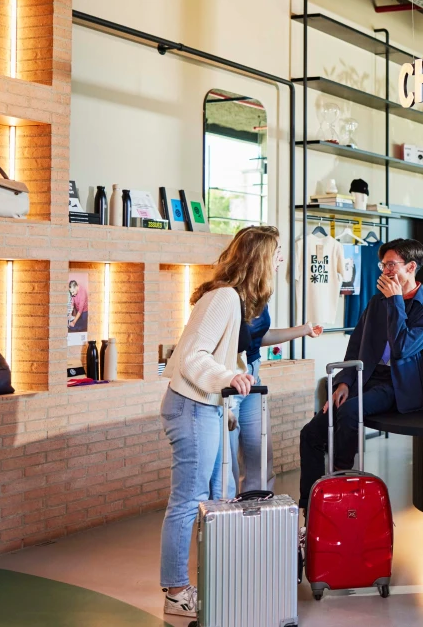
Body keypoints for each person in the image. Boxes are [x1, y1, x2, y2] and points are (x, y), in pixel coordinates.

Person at [158, 225, 283, 618]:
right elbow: (193, 356)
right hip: (192, 405)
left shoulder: (233, 299)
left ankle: (215, 579)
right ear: (260, 259)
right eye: (276, 254)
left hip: (206, 406)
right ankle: (177, 592)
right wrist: (228, 378)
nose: (280, 261)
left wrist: (232, 375)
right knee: (189, 499)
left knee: (219, 495)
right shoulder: (224, 297)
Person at [298, 238, 423, 515]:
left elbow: (402, 348)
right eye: (383, 265)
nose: (385, 271)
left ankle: (340, 477)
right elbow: (358, 343)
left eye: (391, 265)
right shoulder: (377, 301)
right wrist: (343, 382)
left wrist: (396, 300)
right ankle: (310, 506)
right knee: (311, 433)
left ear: (411, 267)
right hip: (365, 376)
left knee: (351, 411)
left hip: (396, 384)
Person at [227, 304, 322, 494]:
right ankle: (227, 519)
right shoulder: (229, 296)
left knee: (260, 458)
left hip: (252, 375)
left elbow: (259, 336)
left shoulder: (260, 296)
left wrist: (303, 330)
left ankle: (258, 515)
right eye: (272, 270)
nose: (275, 271)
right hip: (228, 377)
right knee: (226, 466)